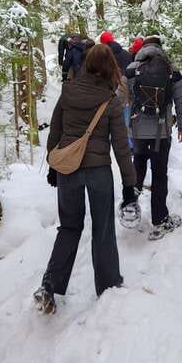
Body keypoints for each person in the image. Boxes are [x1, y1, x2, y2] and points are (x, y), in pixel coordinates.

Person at [35, 44, 138, 314]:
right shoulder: (111, 100)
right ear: (109, 68)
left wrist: (53, 166)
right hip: (98, 171)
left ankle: (49, 286)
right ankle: (109, 286)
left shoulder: (67, 92)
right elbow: (121, 146)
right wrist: (130, 185)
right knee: (102, 229)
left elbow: (55, 131)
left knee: (69, 227)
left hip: (68, 170)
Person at [125, 36, 182, 240]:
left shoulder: (131, 69)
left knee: (138, 166)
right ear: (160, 49)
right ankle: (160, 220)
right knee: (159, 174)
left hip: (138, 131)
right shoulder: (172, 70)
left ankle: (130, 206)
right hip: (161, 133)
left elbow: (121, 98)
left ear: (143, 49)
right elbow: (181, 100)